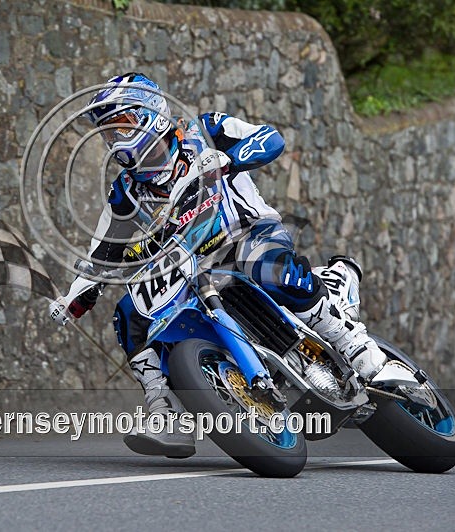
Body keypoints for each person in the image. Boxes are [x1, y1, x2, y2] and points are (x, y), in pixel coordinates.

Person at [48, 73, 387, 457]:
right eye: (108, 132)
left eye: (121, 125)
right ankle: (164, 409)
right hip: (191, 268)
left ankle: (354, 345)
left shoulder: (205, 129)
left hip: (247, 235)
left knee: (261, 263)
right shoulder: (125, 192)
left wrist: (229, 159)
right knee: (130, 313)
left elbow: (269, 138)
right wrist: (76, 295)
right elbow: (102, 251)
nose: (115, 139)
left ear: (150, 113)